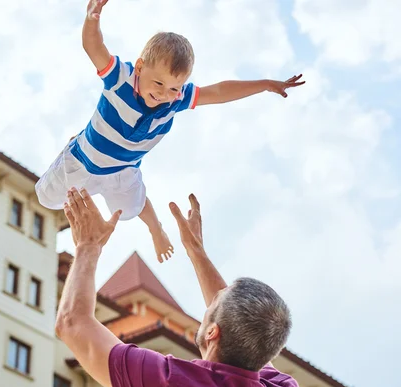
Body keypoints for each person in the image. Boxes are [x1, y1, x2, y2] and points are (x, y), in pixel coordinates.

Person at [35, 0, 305, 264]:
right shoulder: (120, 78)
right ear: (140, 68)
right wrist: (92, 17)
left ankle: (156, 229)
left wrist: (266, 84)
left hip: (124, 168)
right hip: (86, 161)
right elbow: (93, 46)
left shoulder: (178, 99)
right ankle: (75, 143)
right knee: (46, 197)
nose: (164, 94)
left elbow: (220, 91)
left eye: (174, 88)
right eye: (159, 83)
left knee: (130, 208)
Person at [55, 187, 305, 387]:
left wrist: (88, 246)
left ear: (212, 332)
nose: (211, 299)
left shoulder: (177, 385)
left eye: (213, 303)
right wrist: (196, 251)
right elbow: (238, 326)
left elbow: (72, 323)